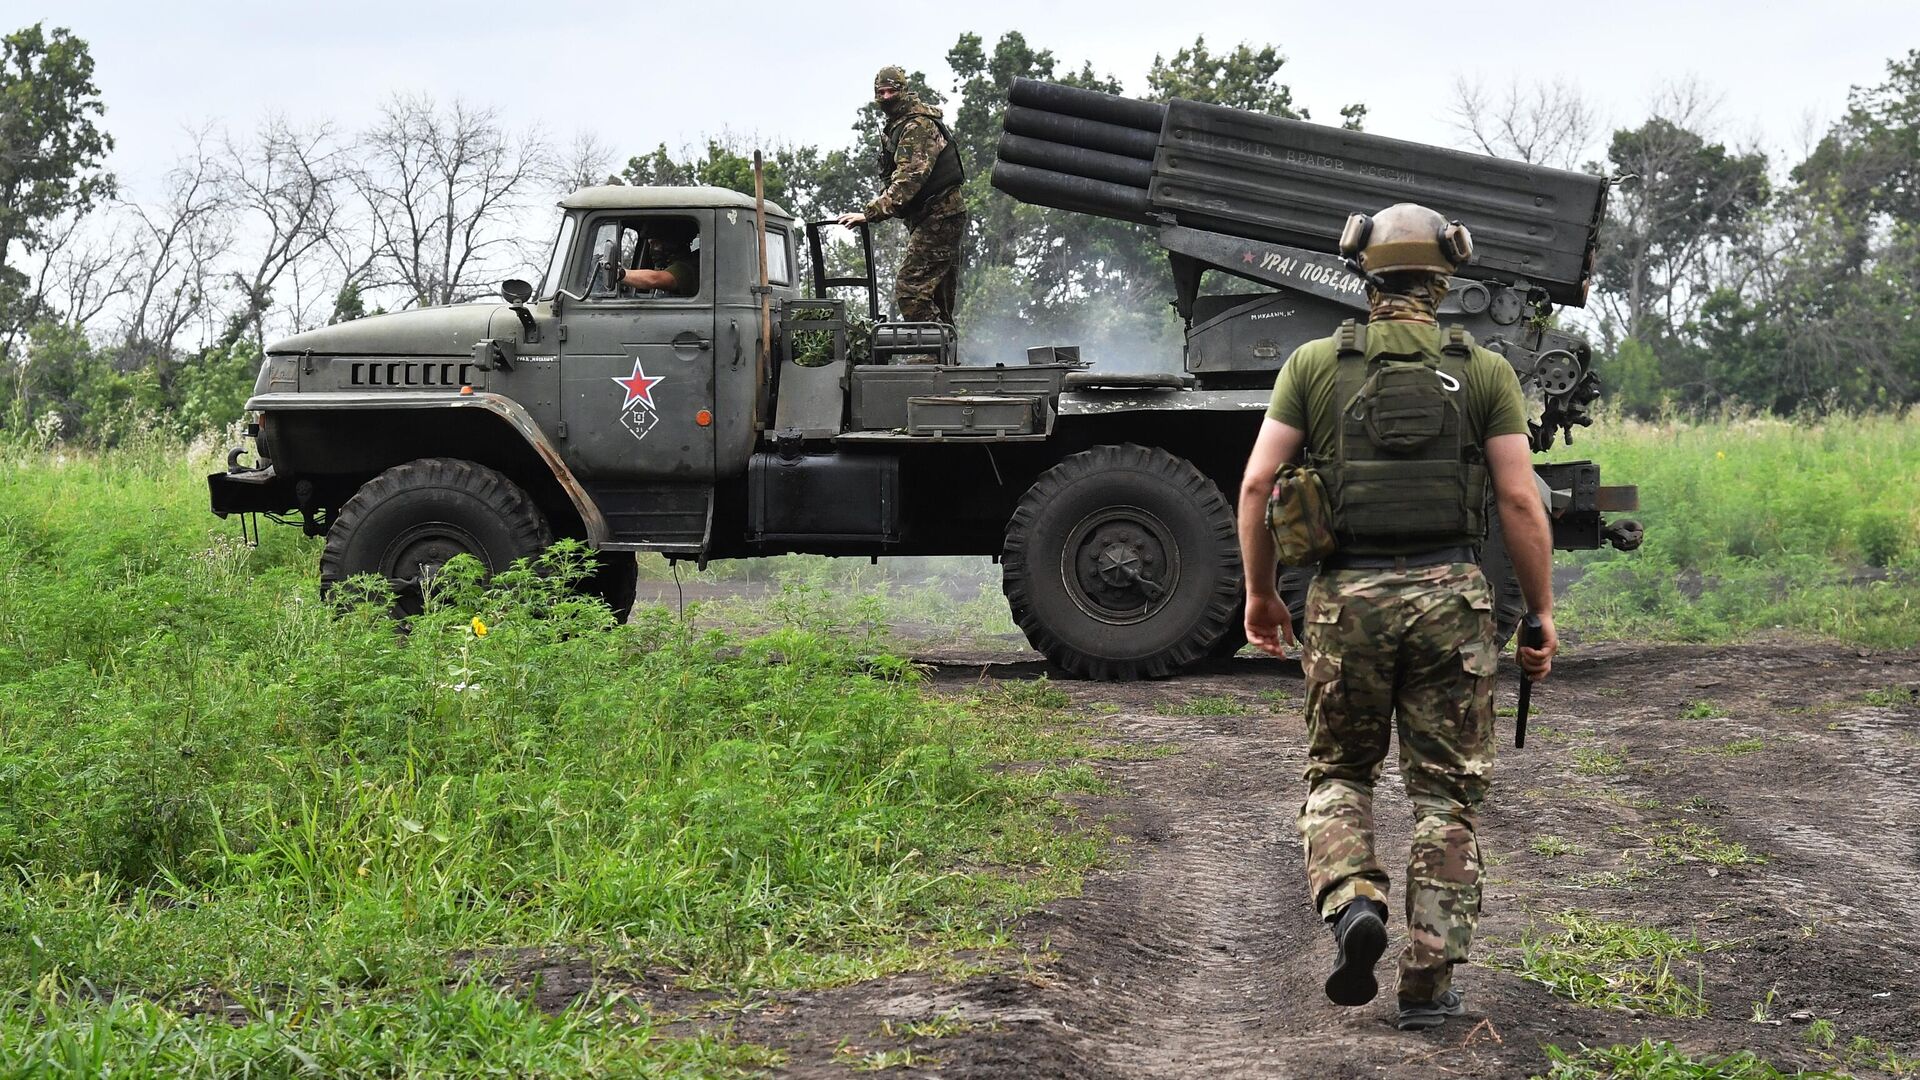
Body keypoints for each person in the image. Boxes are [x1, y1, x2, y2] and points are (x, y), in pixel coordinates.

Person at [1235, 203, 1559, 1032]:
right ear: (1444, 279)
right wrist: (1541, 614)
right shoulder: (1484, 370)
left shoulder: (1314, 364)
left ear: (1365, 274)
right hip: (1452, 601)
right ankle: (1428, 987)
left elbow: (1257, 486)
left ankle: (1351, 905)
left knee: (1340, 773)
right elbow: (1521, 500)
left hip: (1346, 603)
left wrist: (1262, 594)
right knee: (1444, 798)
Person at [836, 65, 967, 343]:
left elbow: (909, 180)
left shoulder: (916, 126)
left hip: (940, 215)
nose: (885, 97)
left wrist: (868, 214)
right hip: (934, 217)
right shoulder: (900, 125)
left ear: (902, 91)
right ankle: (945, 362)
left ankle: (931, 353)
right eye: (880, 92)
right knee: (936, 298)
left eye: (891, 91)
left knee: (910, 288)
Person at [618, 222, 698, 296]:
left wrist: (619, 274)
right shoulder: (668, 267)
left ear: (670, 244)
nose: (651, 249)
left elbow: (654, 279)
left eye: (655, 243)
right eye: (650, 244)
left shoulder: (686, 268)